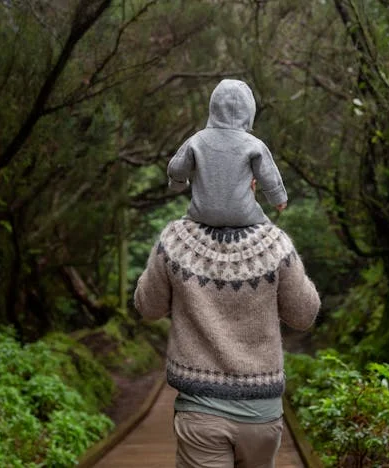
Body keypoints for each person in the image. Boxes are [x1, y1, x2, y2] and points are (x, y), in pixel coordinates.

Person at [133, 217, 321, 467]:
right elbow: (304, 314)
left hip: (200, 408)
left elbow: (148, 307)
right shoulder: (274, 242)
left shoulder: (175, 239)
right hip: (261, 412)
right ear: (253, 183)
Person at [167, 79, 288, 227]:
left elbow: (177, 167)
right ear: (249, 111)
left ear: (213, 107)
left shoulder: (197, 140)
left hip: (201, 215)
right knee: (269, 234)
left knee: (182, 229)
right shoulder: (254, 144)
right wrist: (278, 199)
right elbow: (269, 174)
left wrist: (177, 184)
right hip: (244, 216)